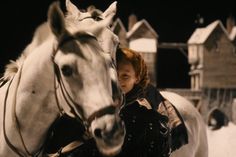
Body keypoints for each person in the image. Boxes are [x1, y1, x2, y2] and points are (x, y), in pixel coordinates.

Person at [51, 47, 188, 157]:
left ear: (136, 77)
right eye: (115, 74)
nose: (118, 81)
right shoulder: (90, 106)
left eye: (125, 76)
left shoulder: (147, 118)